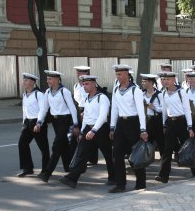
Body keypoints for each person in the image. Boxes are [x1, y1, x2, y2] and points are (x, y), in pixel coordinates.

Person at [59, 75, 115, 188]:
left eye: (87, 84)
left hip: (100, 129)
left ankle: (113, 177)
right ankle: (72, 178)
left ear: (94, 84)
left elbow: (103, 116)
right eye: (83, 84)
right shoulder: (86, 98)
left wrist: (94, 130)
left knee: (108, 155)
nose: (84, 86)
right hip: (89, 129)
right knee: (82, 154)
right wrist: (82, 132)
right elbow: (86, 116)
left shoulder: (102, 98)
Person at [155, 71, 195, 184]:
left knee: (188, 147)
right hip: (171, 122)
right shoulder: (163, 93)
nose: (164, 82)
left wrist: (190, 127)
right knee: (167, 149)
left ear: (173, 80)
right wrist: (164, 124)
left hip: (182, 122)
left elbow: (187, 110)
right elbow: (165, 111)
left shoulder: (181, 92)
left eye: (167, 79)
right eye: (163, 80)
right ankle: (163, 175)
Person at [35, 70, 80, 183]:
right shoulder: (48, 92)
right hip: (55, 121)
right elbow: (44, 109)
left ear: (57, 79)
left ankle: (47, 173)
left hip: (65, 120)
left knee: (56, 146)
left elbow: (72, 109)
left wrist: (75, 124)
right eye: (47, 78)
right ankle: (68, 167)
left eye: (50, 79)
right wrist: (39, 122)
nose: (47, 81)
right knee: (63, 145)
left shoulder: (64, 91)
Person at [109, 64, 148, 193]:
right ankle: (120, 184)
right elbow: (114, 109)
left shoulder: (134, 90)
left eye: (120, 74)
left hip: (133, 123)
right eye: (117, 74)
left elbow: (141, 111)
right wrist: (112, 127)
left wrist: (143, 130)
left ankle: (141, 182)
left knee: (136, 153)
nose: (118, 77)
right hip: (121, 123)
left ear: (127, 74)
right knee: (117, 153)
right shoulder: (116, 89)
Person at [16, 73, 50, 177]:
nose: (24, 82)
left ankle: (46, 170)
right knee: (22, 144)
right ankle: (28, 168)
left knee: (43, 147)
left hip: (37, 122)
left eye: (26, 81)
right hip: (28, 122)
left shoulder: (38, 94)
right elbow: (24, 110)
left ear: (32, 83)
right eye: (24, 80)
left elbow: (43, 109)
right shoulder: (25, 94)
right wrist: (24, 122)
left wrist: (39, 123)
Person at [73, 65, 98, 165]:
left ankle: (92, 157)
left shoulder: (91, 85)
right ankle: (84, 157)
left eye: (80, 72)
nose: (78, 74)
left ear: (87, 73)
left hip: (88, 110)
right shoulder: (76, 86)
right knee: (80, 134)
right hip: (78, 110)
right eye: (77, 72)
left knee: (90, 134)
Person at [141, 74, 165, 156]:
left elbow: (164, 109)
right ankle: (146, 159)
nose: (143, 83)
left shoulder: (159, 94)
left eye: (145, 81)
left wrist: (154, 108)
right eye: (142, 81)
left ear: (151, 82)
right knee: (146, 141)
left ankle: (164, 160)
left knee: (160, 141)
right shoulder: (141, 94)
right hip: (145, 120)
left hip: (156, 120)